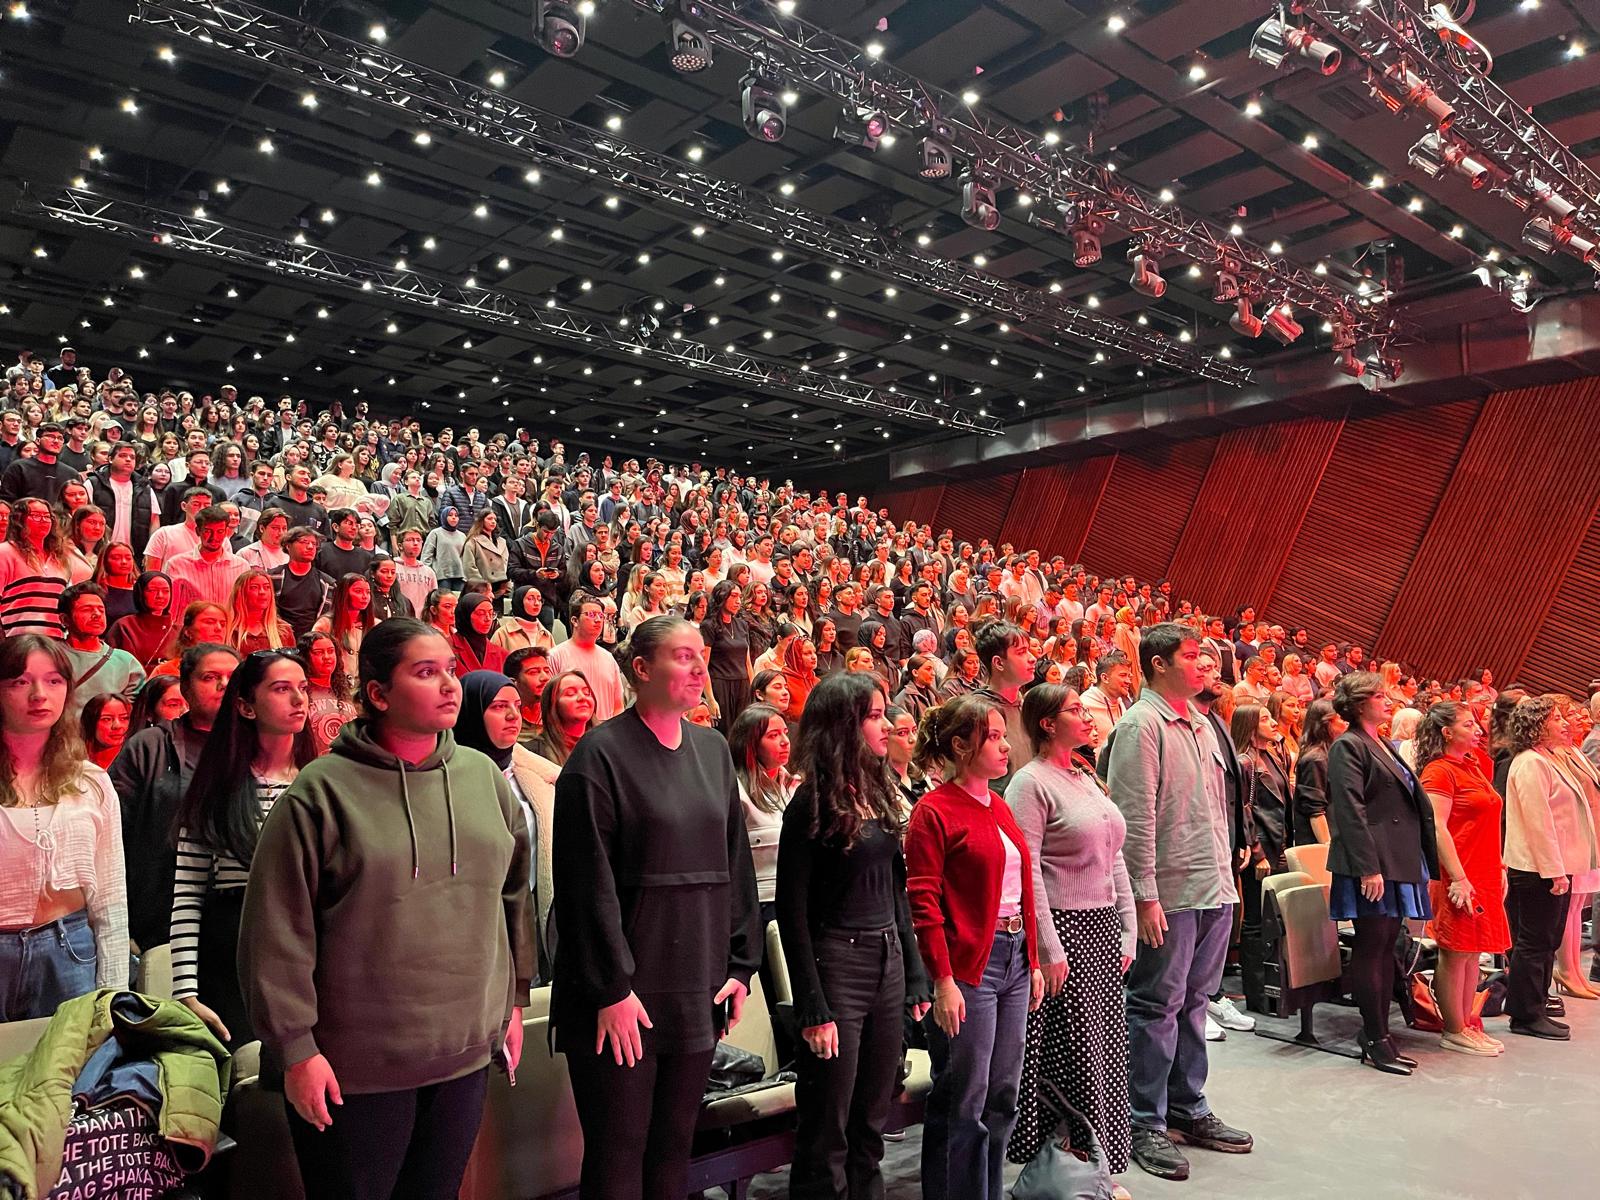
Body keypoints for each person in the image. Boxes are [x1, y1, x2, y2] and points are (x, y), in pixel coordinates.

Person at [239, 618, 534, 1200]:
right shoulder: (321, 792)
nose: (449, 685)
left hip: (464, 1055)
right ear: (377, 694)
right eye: (426, 672)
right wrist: (295, 1050)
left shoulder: (482, 777)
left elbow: (513, 896)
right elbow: (276, 933)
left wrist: (514, 1002)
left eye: (450, 669)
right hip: (354, 1069)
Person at [550, 615, 761, 1200]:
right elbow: (583, 887)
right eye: (683, 657)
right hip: (621, 998)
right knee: (619, 1155)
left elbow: (734, 865)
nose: (699, 669)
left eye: (702, 657)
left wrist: (740, 965)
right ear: (641, 669)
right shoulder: (598, 756)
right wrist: (611, 989)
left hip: (695, 986)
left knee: (673, 1150)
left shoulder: (713, 750)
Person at [777, 672, 931, 1200]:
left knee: (872, 1117)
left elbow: (895, 890)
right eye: (875, 716)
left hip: (887, 960)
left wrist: (914, 974)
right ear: (844, 725)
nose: (887, 726)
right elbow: (792, 912)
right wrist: (812, 1006)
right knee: (828, 1126)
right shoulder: (809, 803)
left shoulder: (876, 789)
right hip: (836, 965)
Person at [1106, 623, 1252, 1180]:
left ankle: (1188, 1107)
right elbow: (1135, 818)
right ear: (1158, 664)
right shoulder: (1140, 726)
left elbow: (1213, 808)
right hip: (1168, 892)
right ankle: (1143, 1120)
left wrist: (1227, 876)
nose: (1205, 665)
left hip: (1213, 885)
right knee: (1154, 1006)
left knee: (1195, 1002)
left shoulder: (1203, 723)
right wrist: (1144, 897)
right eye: (1192, 656)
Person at [907, 693, 1042, 1200]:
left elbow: (1022, 889)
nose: (1006, 746)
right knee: (964, 1095)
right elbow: (924, 904)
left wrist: (1031, 960)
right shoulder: (934, 811)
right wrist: (943, 981)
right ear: (962, 746)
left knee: (1003, 1093)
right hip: (968, 968)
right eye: (994, 737)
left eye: (1005, 736)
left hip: (1012, 958)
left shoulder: (1000, 805)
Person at [1006, 682, 1135, 1189]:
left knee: (1104, 1052)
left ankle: (1098, 1167)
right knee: (1074, 1055)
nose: (1087, 717)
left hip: (1102, 928)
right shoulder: (1029, 783)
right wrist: (1048, 947)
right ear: (1047, 723)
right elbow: (1029, 871)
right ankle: (1072, 1170)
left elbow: (1114, 857)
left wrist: (1127, 926)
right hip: (1064, 928)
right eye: (1075, 710)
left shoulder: (1083, 773)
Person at [170, 648, 317, 1049]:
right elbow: (187, 895)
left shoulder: (320, 783)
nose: (298, 699)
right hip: (233, 953)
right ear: (246, 706)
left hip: (307, 950)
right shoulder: (217, 789)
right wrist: (186, 992)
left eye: (303, 688)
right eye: (281, 689)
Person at [0, 635, 128, 1021]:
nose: (39, 694)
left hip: (68, 948)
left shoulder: (91, 781)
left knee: (71, 1059)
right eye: (20, 681)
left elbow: (110, 897)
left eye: (53, 680)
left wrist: (114, 994)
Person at [1325, 671, 1439, 1071]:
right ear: (1358, 705)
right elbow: (1350, 810)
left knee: (1388, 945)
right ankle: (1375, 1037)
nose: (1387, 699)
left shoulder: (1381, 743)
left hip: (1395, 858)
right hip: (1371, 863)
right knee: (1372, 947)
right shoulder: (1348, 746)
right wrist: (1367, 867)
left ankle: (1379, 1033)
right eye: (1377, 695)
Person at [111, 642, 240, 952]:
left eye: (232, 678)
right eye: (210, 677)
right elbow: (113, 834)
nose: (224, 685)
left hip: (238, 915)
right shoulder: (150, 747)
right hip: (162, 910)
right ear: (186, 687)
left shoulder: (262, 745)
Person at [1413, 702, 1509, 1056]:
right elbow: (1437, 827)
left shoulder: (1474, 764)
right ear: (1447, 732)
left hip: (1483, 871)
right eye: (1469, 724)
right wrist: (1457, 876)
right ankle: (1453, 1029)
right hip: (1458, 874)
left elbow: (1488, 822)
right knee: (1455, 953)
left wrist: (1499, 866)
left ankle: (1467, 1023)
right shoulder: (1439, 771)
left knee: (1472, 953)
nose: (1478, 730)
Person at [1504, 694, 1597, 1040]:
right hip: (1537, 869)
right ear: (1537, 726)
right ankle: (1525, 1014)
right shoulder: (1530, 763)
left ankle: (1537, 1005)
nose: (1565, 723)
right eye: (1556, 718)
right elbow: (1538, 822)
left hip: (1554, 866)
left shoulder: (1550, 758)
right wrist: (1554, 870)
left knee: (1547, 940)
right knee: (1534, 942)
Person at [455, 670, 557, 981]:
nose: (513, 715)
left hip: (530, 911)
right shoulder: (448, 778)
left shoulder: (534, 776)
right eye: (499, 707)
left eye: (516, 705)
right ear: (472, 712)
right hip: (475, 920)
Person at [1232, 702, 1290, 1015]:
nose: (1273, 722)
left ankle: (1275, 990)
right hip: (1263, 848)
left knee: (1274, 921)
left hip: (1279, 845)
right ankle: (1256, 994)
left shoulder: (1272, 756)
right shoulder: (1245, 762)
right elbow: (1244, 809)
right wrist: (1256, 851)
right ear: (1251, 726)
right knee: (1255, 921)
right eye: (1265, 719)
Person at [729, 702, 797, 929]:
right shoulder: (736, 793)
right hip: (760, 905)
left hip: (798, 899)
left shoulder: (796, 787)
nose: (785, 741)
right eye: (773, 735)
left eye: (785, 732)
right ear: (750, 744)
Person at [59, 581, 146, 721]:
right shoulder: (50, 657)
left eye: (101, 609)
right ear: (65, 619)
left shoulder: (126, 663)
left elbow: (131, 716)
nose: (97, 614)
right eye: (87, 609)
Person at [974, 621, 1036, 794]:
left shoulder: (1029, 705)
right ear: (999, 663)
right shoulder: (977, 713)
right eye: (1021, 652)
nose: (1032, 658)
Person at [0, 496, 72, 638]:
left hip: (56, 641)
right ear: (19, 519)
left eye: (47, 516)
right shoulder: (5, 552)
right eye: (36, 515)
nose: (43, 520)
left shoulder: (61, 559)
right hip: (17, 640)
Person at [550, 596, 624, 722]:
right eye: (591, 615)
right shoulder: (555, 656)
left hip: (606, 727)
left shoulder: (608, 658)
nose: (598, 620)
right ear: (575, 620)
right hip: (570, 727)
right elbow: (549, 704)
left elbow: (618, 705)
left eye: (601, 616)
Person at [164, 505, 248, 614]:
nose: (214, 537)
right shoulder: (176, 565)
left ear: (226, 532)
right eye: (208, 531)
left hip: (229, 624)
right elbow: (170, 610)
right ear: (198, 531)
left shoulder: (242, 566)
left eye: (220, 531)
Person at [701, 579, 753, 730]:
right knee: (725, 732)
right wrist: (710, 699)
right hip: (720, 685)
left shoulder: (742, 625)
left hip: (742, 686)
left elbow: (747, 662)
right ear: (722, 597)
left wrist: (753, 690)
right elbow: (703, 665)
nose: (738, 601)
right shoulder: (709, 625)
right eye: (734, 596)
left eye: (740, 597)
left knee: (743, 732)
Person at [1292, 699, 1345, 846]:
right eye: (1340, 718)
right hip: (1320, 841)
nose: (1346, 722)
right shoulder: (1316, 759)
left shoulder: (1333, 753)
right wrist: (1327, 846)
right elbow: (1315, 811)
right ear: (1327, 723)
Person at [297, 630, 358, 755]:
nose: (327, 657)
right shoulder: (300, 692)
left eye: (331, 651)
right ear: (305, 657)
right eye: (318, 652)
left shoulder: (343, 689)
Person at [271, 528, 335, 640]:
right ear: (288, 546)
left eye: (314, 544)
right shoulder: (272, 577)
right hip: (278, 638)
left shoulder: (327, 583)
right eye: (304, 542)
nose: (310, 547)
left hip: (313, 640)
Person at [313, 573, 378, 681]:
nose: (365, 596)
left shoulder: (376, 625)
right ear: (344, 593)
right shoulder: (325, 624)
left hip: (364, 685)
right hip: (335, 684)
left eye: (368, 592)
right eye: (358, 591)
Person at [224, 568, 294, 654]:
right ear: (240, 593)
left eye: (267, 587)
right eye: (254, 587)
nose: (262, 592)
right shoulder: (226, 629)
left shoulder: (284, 630)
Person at [450, 590, 507, 677]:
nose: (488, 619)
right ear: (466, 615)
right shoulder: (447, 648)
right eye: (481, 613)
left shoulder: (502, 654)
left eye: (491, 613)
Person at [80, 692, 132, 771]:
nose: (117, 726)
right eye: (107, 719)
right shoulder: (73, 757)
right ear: (90, 722)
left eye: (124, 718)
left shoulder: (136, 759)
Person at [422, 506, 466, 592]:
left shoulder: (462, 536)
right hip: (441, 576)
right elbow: (427, 555)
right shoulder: (435, 533)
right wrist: (427, 573)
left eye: (456, 515)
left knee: (458, 599)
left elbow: (466, 557)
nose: (454, 517)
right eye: (450, 515)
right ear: (444, 516)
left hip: (460, 576)